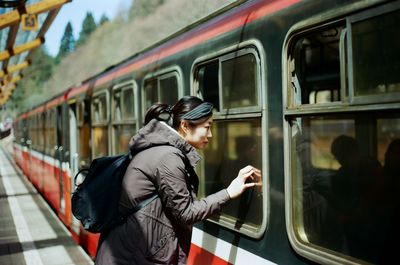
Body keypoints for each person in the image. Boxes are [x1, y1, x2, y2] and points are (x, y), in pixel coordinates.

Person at [95, 96, 256, 265]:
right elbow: (186, 213)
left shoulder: (161, 150)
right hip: (131, 257)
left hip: (131, 251)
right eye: (207, 127)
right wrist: (229, 193)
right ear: (185, 126)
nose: (210, 134)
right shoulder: (168, 158)